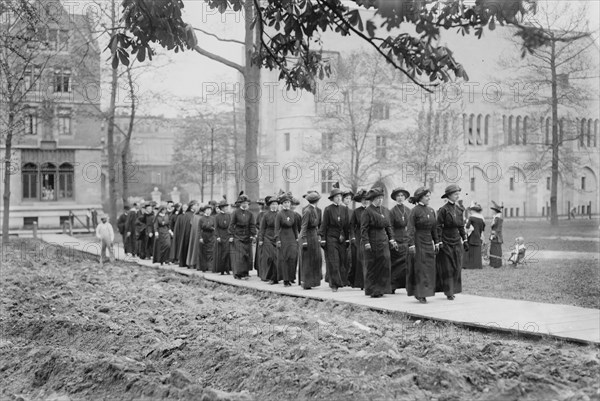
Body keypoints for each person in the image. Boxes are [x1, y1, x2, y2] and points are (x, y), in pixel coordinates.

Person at [360, 187, 397, 298]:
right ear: (372, 199)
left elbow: (388, 226)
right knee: (373, 265)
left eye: (381, 198)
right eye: (377, 198)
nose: (380, 200)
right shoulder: (367, 211)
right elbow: (364, 229)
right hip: (372, 240)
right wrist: (366, 242)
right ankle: (373, 290)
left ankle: (382, 288)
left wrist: (392, 239)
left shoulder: (385, 210)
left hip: (383, 241)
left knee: (384, 263)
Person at [406, 187, 440, 304]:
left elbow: (434, 228)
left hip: (428, 242)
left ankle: (427, 291)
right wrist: (411, 244)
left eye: (429, 196)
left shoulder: (431, 210)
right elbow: (410, 229)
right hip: (418, 241)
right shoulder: (414, 211)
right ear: (420, 197)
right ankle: (420, 294)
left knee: (429, 268)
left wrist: (436, 242)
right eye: (426, 196)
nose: (429, 198)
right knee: (421, 268)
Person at [436, 184, 468, 301]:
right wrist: (439, 242)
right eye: (455, 194)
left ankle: (454, 289)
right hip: (446, 240)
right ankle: (448, 291)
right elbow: (438, 227)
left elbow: (461, 226)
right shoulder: (443, 210)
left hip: (456, 241)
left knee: (456, 266)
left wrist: (464, 239)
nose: (457, 196)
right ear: (449, 195)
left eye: (458, 194)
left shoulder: (459, 209)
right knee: (448, 267)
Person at [320, 187, 351, 292]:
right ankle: (334, 284)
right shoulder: (328, 209)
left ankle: (341, 281)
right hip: (331, 237)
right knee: (334, 260)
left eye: (340, 196)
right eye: (336, 197)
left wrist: (347, 238)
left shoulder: (344, 209)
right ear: (332, 198)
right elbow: (324, 225)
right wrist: (323, 238)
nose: (339, 198)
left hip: (341, 238)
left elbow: (346, 226)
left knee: (342, 259)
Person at [228, 192, 257, 280]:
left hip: (247, 236)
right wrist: (231, 235)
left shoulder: (250, 214)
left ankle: (245, 272)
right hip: (238, 236)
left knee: (246, 255)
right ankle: (238, 273)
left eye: (246, 203)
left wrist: (253, 234)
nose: (245, 204)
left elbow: (252, 225)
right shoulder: (236, 213)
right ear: (240, 204)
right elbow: (231, 224)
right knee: (239, 255)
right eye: (243, 203)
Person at [298, 191, 323, 289]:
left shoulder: (316, 210)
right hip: (308, 236)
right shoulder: (308, 211)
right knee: (307, 260)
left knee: (316, 259)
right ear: (317, 201)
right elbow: (303, 227)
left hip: (314, 236)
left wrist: (319, 236)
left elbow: (319, 224)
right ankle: (306, 282)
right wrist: (304, 240)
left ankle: (313, 281)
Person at [389, 187, 411, 293]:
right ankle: (393, 285)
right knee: (396, 264)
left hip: (406, 239)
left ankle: (406, 285)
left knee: (406, 264)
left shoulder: (408, 210)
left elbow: (411, 227)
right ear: (395, 198)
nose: (400, 198)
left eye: (402, 196)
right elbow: (390, 227)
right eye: (398, 196)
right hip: (396, 240)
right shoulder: (392, 211)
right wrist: (392, 240)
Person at [275, 193, 299, 287]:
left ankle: (291, 277)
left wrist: (297, 238)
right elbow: (277, 228)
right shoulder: (279, 214)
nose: (287, 204)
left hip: (292, 238)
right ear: (282, 204)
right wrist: (278, 239)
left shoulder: (293, 214)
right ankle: (285, 279)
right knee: (285, 258)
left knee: (292, 257)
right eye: (285, 202)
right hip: (283, 237)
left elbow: (295, 227)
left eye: (288, 202)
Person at [348, 189, 369, 290]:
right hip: (359, 236)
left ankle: (368, 281)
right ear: (360, 200)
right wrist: (352, 237)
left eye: (366, 199)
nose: (365, 201)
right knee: (359, 259)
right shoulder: (356, 212)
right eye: (363, 199)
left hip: (369, 236)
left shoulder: (371, 210)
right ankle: (361, 283)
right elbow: (352, 226)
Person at [259, 196, 280, 284]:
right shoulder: (266, 215)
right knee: (270, 257)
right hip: (267, 237)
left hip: (277, 238)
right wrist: (261, 239)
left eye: (276, 204)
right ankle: (268, 276)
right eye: (272, 204)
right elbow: (262, 228)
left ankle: (276, 277)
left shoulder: (280, 214)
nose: (274, 206)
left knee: (277, 258)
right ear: (269, 206)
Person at [464, 202, 486, 269]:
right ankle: (478, 265)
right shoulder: (481, 219)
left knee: (471, 250)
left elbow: (467, 226)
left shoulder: (471, 218)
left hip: (472, 235)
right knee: (477, 251)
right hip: (478, 235)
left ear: (473, 210)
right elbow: (483, 228)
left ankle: (471, 265)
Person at [175, 201, 197, 267]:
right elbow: (186, 226)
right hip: (188, 234)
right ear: (191, 206)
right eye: (195, 205)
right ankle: (186, 262)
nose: (196, 206)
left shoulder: (195, 213)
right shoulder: (187, 214)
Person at [213, 197, 232, 275]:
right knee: (221, 253)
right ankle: (221, 270)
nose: (226, 208)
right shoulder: (217, 217)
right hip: (220, 236)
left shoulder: (229, 216)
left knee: (227, 253)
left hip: (227, 235)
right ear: (221, 208)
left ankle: (227, 269)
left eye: (227, 207)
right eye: (225, 207)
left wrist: (231, 236)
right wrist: (217, 237)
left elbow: (231, 226)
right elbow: (216, 227)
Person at [198, 204, 215, 272]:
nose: (209, 211)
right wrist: (200, 237)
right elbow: (199, 229)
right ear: (204, 211)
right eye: (207, 210)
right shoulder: (201, 219)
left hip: (211, 235)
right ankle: (204, 267)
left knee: (211, 251)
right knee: (203, 252)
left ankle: (210, 267)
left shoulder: (212, 218)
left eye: (210, 210)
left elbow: (215, 227)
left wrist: (213, 229)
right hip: (204, 235)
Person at [489, 200, 504, 268]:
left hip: (496, 236)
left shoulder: (497, 218)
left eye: (493, 210)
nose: (492, 211)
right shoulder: (496, 217)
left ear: (495, 211)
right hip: (495, 234)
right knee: (494, 249)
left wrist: (494, 235)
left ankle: (496, 264)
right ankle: (493, 263)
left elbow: (498, 228)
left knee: (496, 249)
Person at [254, 198, 267, 276]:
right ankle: (260, 270)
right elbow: (257, 224)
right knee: (260, 252)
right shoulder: (259, 214)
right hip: (261, 234)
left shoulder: (265, 214)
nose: (260, 206)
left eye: (261, 205)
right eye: (259, 205)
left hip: (267, 235)